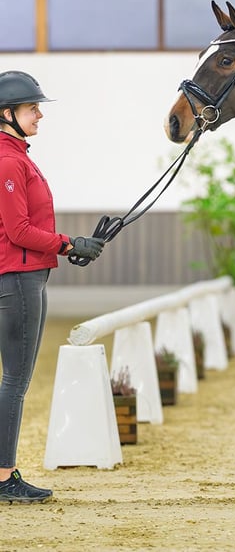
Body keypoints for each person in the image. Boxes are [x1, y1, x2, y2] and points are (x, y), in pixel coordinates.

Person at [0, 70, 105, 503]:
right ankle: (4, 478)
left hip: (29, 276)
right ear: (7, 114)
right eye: (31, 108)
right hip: (19, 279)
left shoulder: (19, 155)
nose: (39, 114)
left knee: (15, 380)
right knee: (16, 381)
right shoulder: (8, 161)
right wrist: (68, 243)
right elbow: (19, 230)